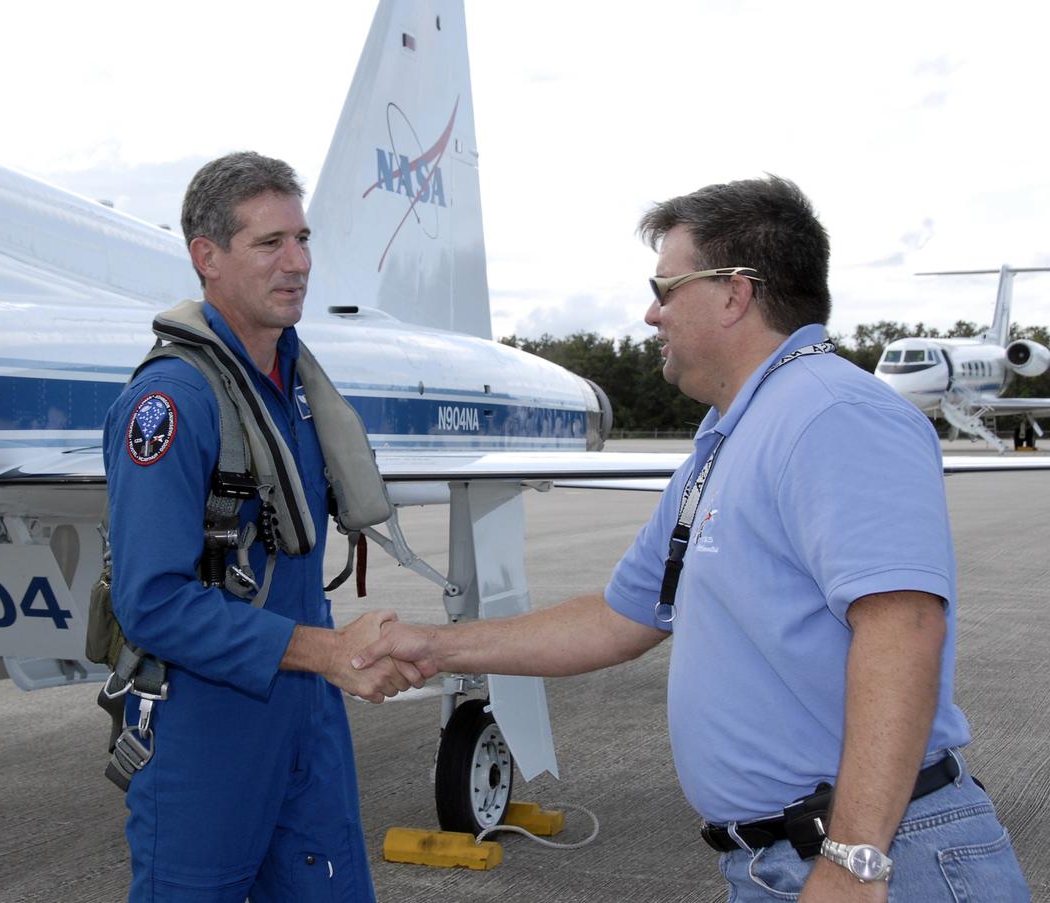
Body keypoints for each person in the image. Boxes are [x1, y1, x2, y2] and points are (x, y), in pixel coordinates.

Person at [354, 176, 1030, 901]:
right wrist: (435, 645)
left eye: (665, 287)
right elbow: (620, 617)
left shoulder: (832, 412)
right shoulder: (730, 437)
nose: (651, 313)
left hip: (881, 863)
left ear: (735, 293)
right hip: (787, 861)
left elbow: (903, 628)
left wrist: (854, 859)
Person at [103, 151, 420, 903]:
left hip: (308, 715)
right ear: (206, 258)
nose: (299, 262)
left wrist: (330, 658)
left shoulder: (294, 388)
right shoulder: (174, 402)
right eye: (270, 243)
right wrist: (328, 652)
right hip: (207, 728)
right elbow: (151, 601)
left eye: (303, 239)